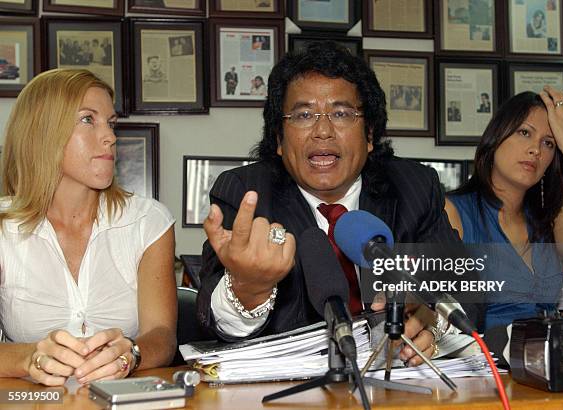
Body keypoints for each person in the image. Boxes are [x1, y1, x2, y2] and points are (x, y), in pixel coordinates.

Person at [197, 41, 484, 367]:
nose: (322, 130)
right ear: (278, 139)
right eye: (303, 114)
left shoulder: (414, 188)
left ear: (370, 134)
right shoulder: (246, 194)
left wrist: (435, 322)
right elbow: (212, 320)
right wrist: (248, 288)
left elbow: (468, 291)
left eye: (342, 113)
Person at [0, 69, 177, 385]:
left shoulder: (148, 222)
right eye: (88, 120)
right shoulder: (3, 228)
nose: (110, 136)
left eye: (111, 123)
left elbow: (162, 336)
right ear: (42, 131)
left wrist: (133, 353)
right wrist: (28, 358)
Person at [445, 88, 563, 331]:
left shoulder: (553, 219)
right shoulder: (453, 213)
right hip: (483, 365)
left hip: (544, 361)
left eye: (549, 143)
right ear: (496, 137)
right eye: (524, 132)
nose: (536, 149)